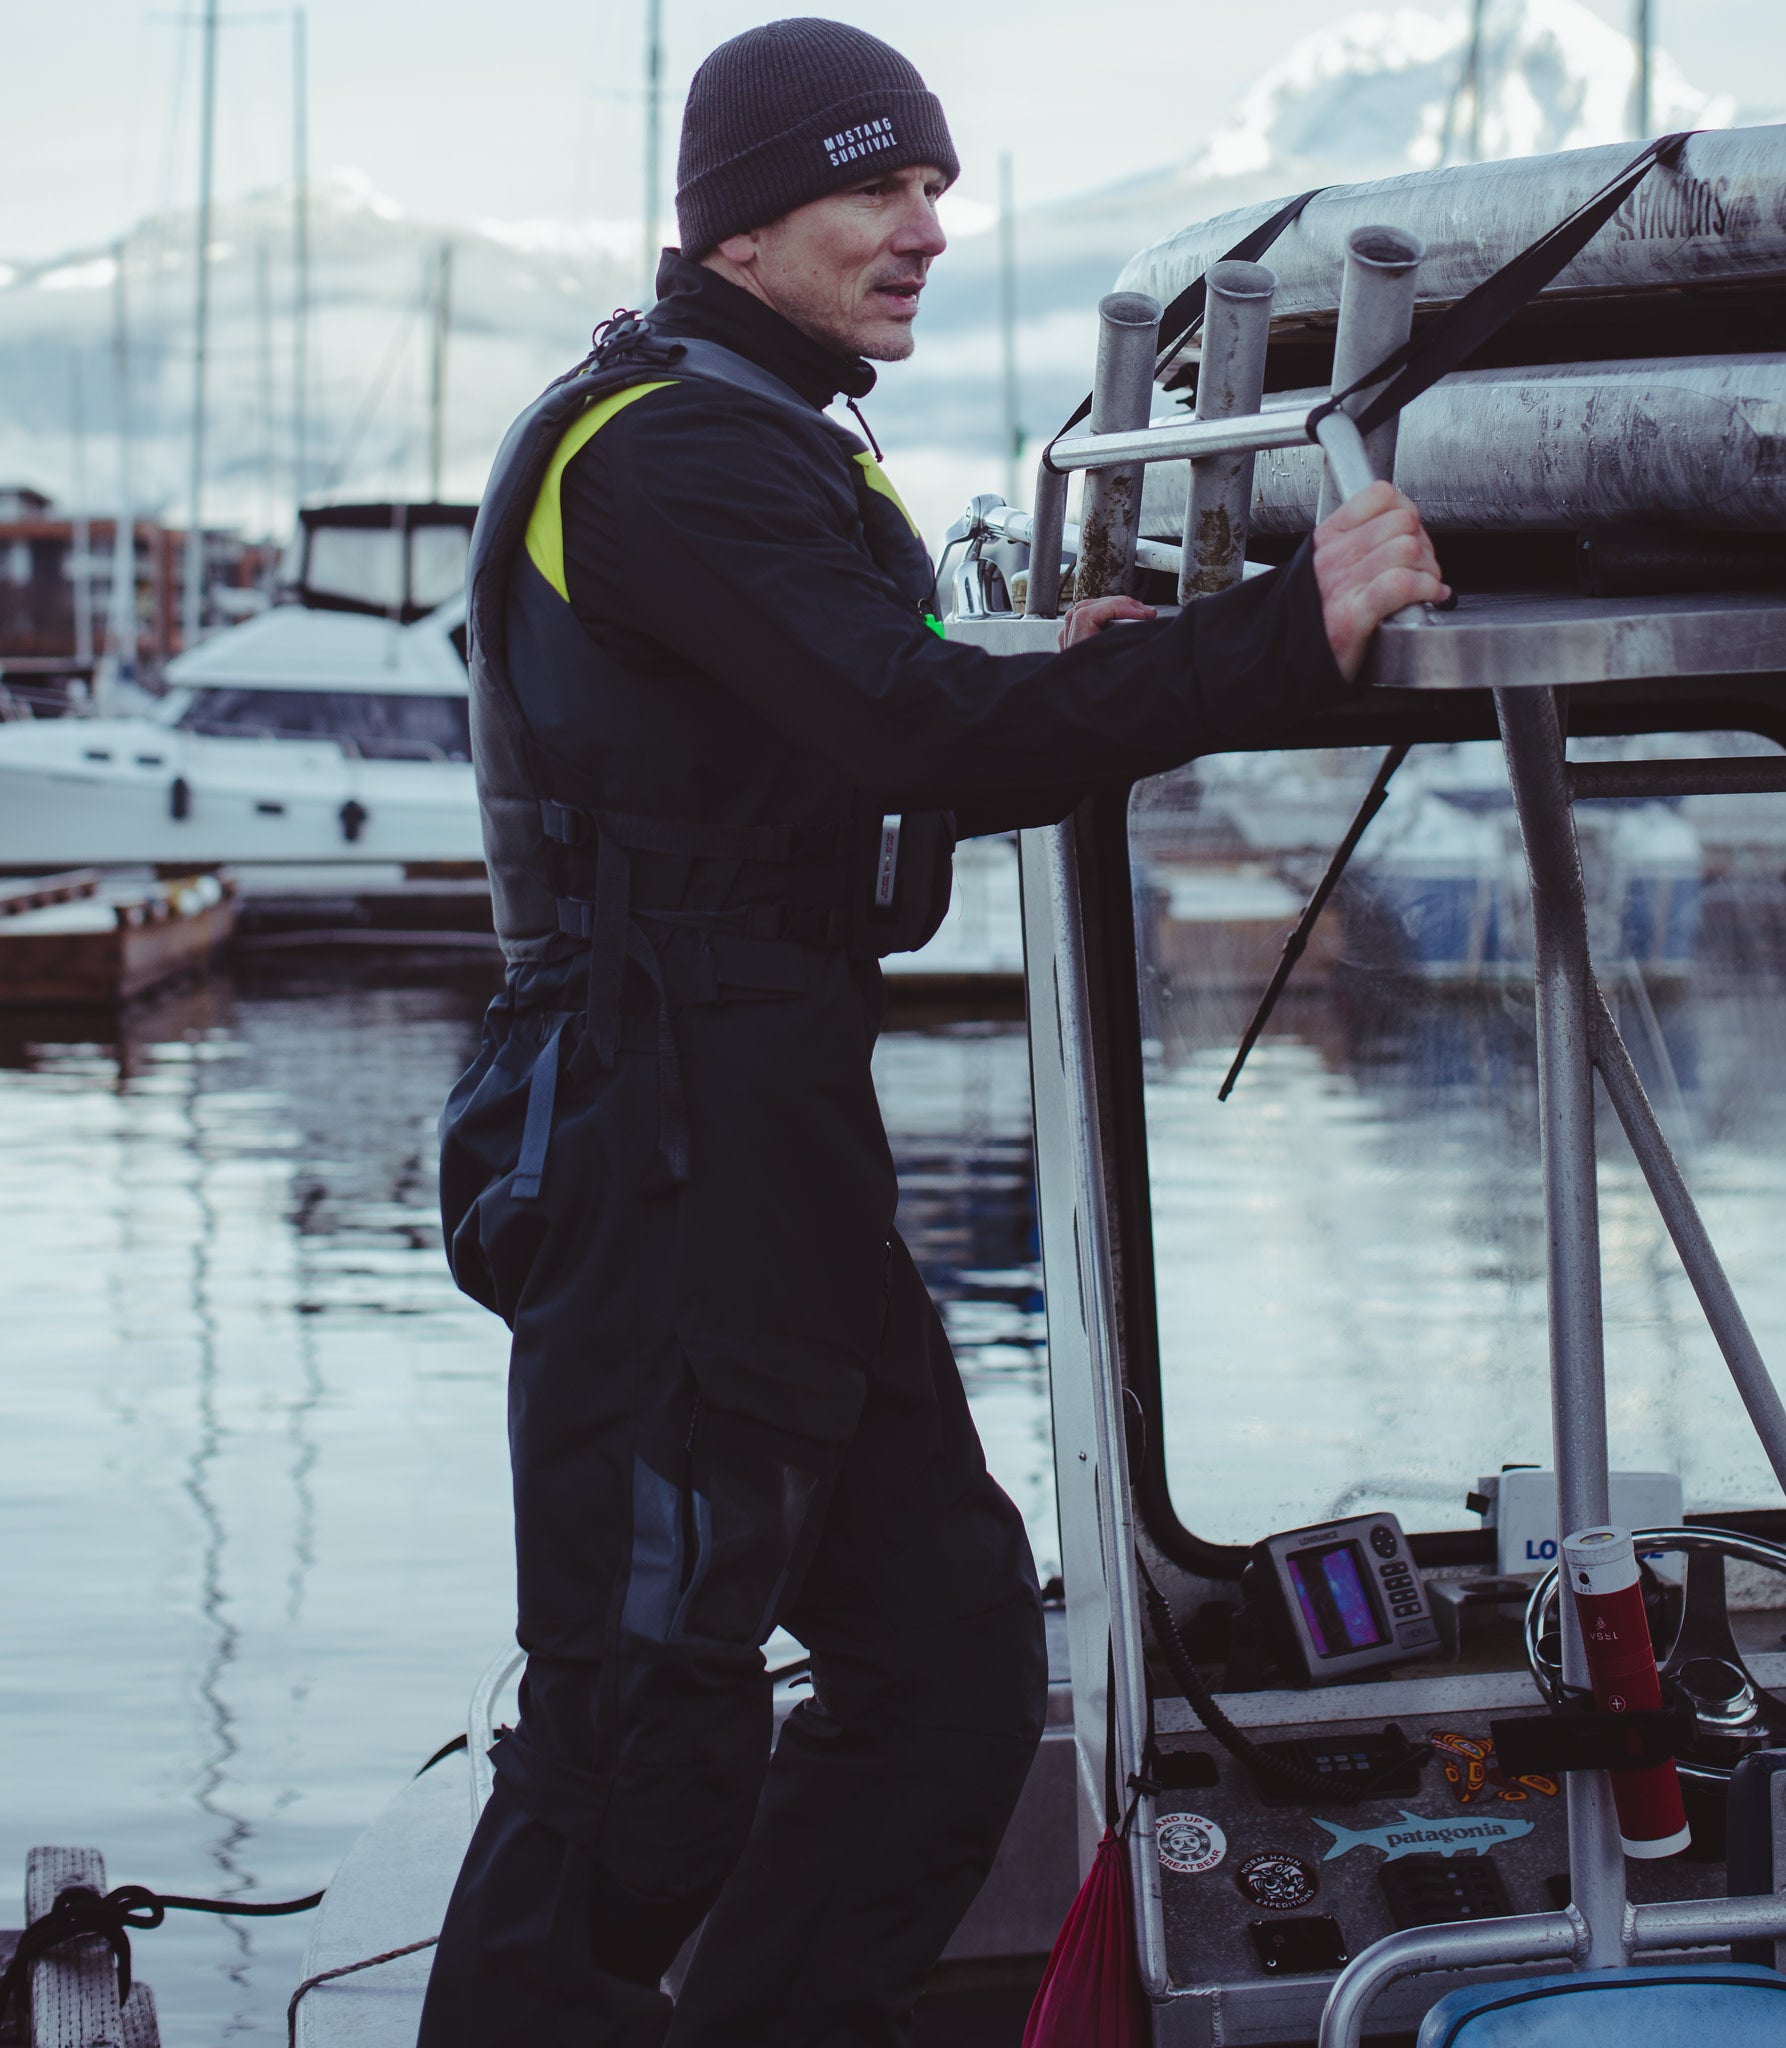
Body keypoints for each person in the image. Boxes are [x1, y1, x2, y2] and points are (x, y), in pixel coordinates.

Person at [420, 16, 1448, 2047]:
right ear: (739, 221)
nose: (924, 230)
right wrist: (1286, 630)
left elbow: (838, 722)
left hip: (772, 1148)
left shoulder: (763, 425)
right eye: (876, 187)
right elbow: (904, 728)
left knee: (952, 1667)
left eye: (936, 189)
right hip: (663, 1149)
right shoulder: (673, 452)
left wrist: (1039, 659)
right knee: (640, 1736)